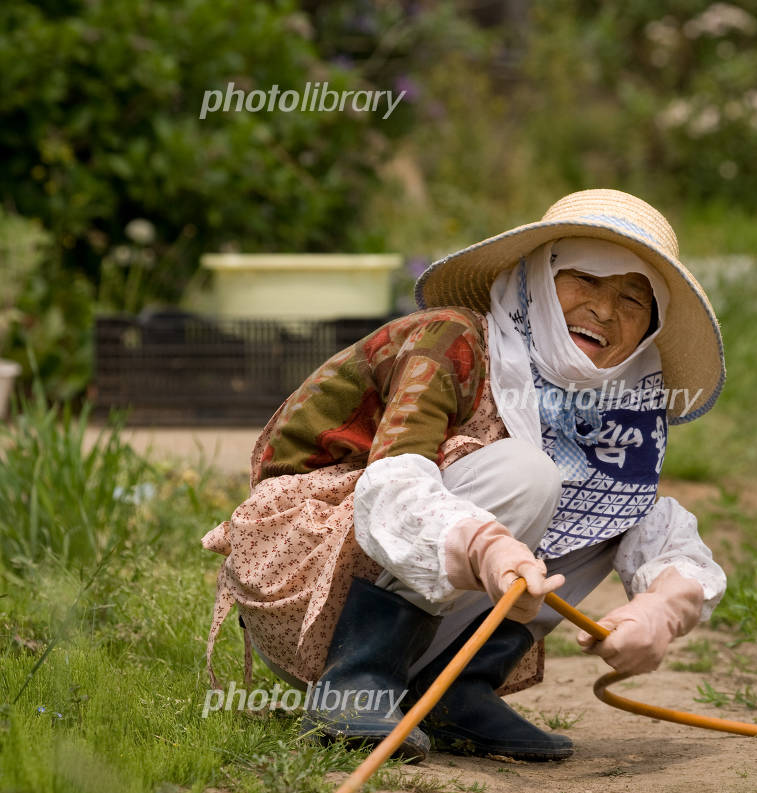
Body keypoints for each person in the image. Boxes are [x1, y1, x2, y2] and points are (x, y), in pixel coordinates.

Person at [201, 189, 727, 763]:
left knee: (615, 504)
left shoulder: (617, 406)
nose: (605, 310)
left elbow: (654, 527)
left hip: (440, 597)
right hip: (310, 585)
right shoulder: (452, 342)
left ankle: (453, 690)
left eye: (633, 298)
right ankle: (359, 676)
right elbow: (393, 484)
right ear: (535, 280)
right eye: (586, 280)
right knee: (529, 474)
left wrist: (662, 609)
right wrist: (487, 549)